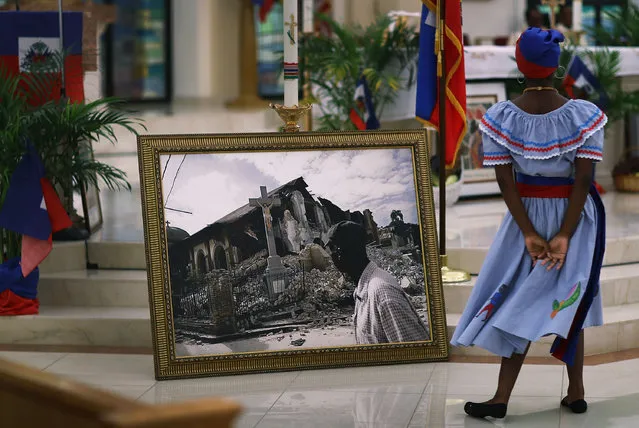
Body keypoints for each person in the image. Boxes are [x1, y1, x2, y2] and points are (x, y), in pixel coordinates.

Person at [450, 27, 607, 419]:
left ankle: (502, 397)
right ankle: (576, 391)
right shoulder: (583, 114)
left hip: (527, 216)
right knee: (574, 300)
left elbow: (505, 181)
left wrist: (530, 232)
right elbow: (584, 179)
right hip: (575, 215)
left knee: (517, 298)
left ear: (520, 66)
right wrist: (566, 234)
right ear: (557, 67)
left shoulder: (501, 117)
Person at [325, 220, 429, 344]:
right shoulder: (363, 288)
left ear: (339, 252)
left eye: (331, 249)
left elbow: (415, 355)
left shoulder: (383, 295)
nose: (330, 256)